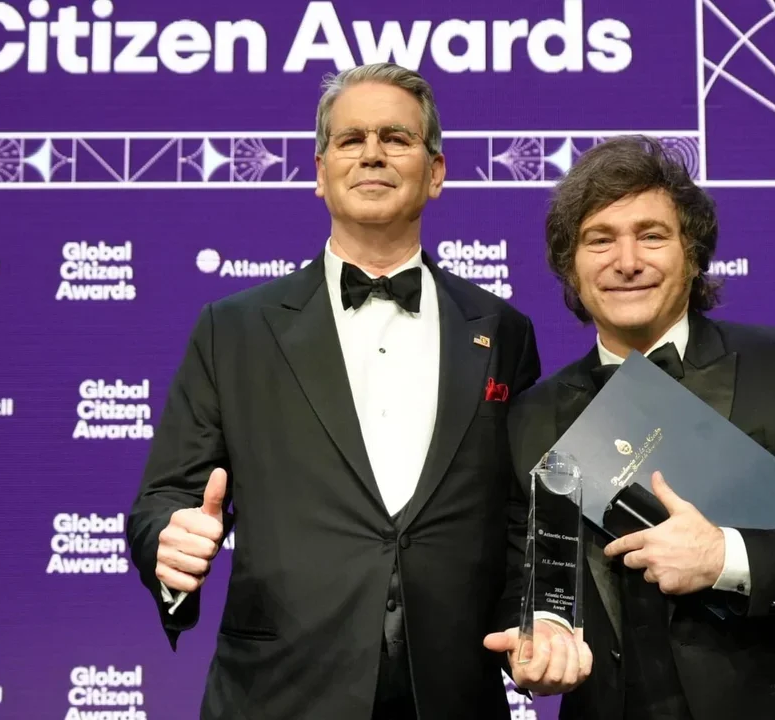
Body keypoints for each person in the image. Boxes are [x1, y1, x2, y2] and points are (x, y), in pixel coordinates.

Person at [126, 62, 541, 720]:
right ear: (320, 172)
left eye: (396, 138)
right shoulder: (233, 329)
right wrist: (170, 545)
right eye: (350, 139)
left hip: (453, 692)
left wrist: (535, 624)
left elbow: (520, 516)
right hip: (278, 692)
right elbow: (166, 497)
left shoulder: (502, 331)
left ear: (436, 172)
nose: (372, 153)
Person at [484, 135, 775, 719]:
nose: (627, 261)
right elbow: (520, 580)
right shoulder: (531, 415)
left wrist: (724, 556)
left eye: (651, 235)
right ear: (570, 268)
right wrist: (537, 638)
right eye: (600, 240)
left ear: (694, 255)